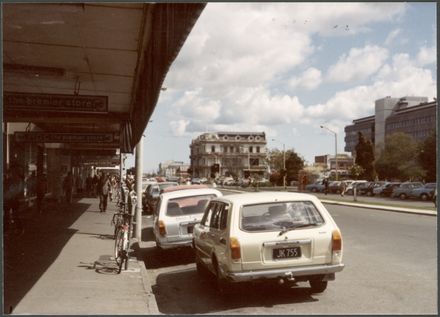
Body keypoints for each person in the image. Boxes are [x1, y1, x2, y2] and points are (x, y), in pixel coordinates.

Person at [4, 165, 25, 234]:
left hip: (12, 199)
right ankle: (7, 228)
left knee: (13, 215)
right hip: (10, 199)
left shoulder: (16, 180)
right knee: (8, 214)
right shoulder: (11, 180)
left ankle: (18, 228)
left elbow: (15, 190)